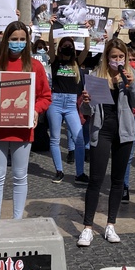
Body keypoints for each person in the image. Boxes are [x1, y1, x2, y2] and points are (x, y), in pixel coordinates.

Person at [0, 21, 51, 220]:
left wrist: (36, 110)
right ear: (6, 40)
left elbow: (45, 96)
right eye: (14, 39)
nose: (18, 43)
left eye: (22, 39)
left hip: (23, 128)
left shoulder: (35, 66)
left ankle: (17, 221)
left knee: (20, 176)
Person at [76, 38, 135, 246]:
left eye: (121, 56)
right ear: (107, 57)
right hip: (101, 131)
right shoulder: (97, 76)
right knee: (96, 179)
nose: (118, 60)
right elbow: (87, 111)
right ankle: (87, 227)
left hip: (124, 132)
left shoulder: (131, 75)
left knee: (118, 180)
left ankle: (110, 224)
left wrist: (132, 86)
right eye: (114, 56)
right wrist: (86, 102)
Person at [45, 36, 88, 184]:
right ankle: (59, 171)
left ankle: (80, 173)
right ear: (60, 47)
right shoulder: (55, 61)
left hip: (71, 104)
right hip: (55, 102)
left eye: (70, 46)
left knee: (79, 138)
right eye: (65, 45)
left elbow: (87, 49)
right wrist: (52, 28)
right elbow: (51, 46)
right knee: (55, 139)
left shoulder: (76, 62)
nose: (68, 48)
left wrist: (87, 33)